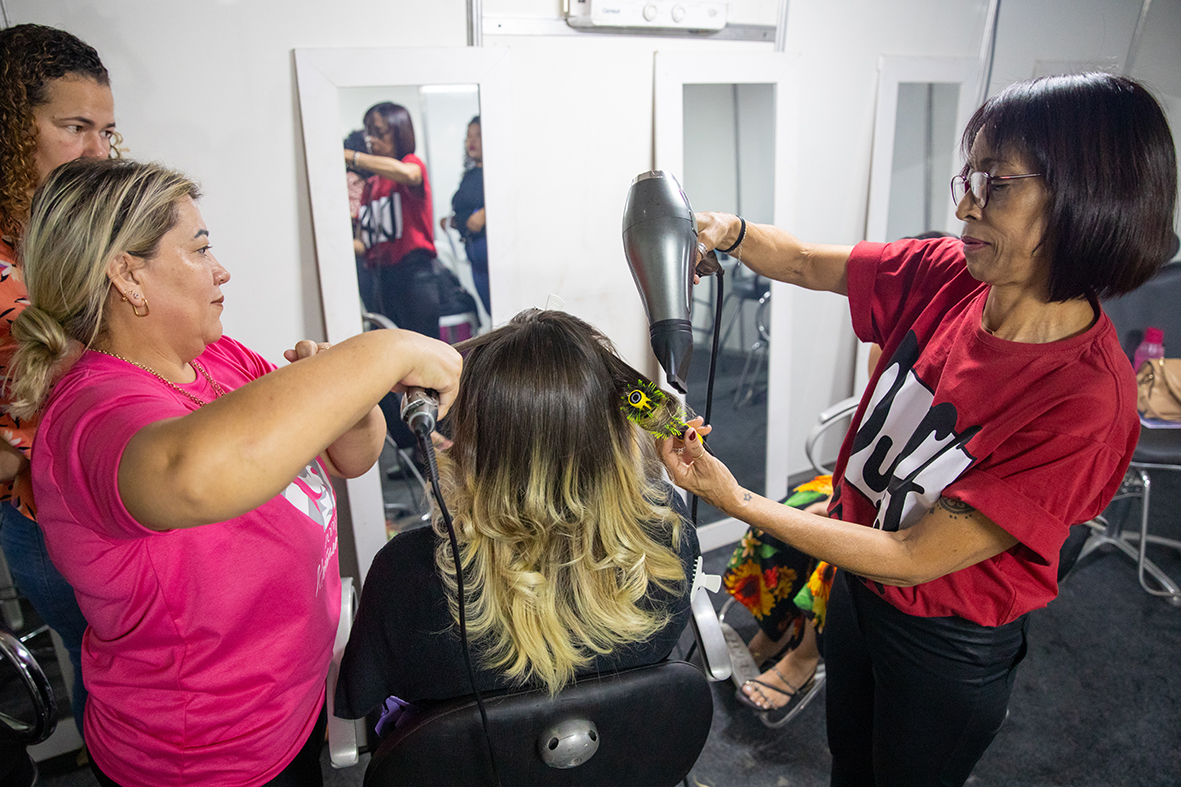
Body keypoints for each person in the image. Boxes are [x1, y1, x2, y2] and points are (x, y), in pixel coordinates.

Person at [662, 73, 1176, 786]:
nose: (963, 202)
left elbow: (912, 554)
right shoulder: (954, 276)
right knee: (850, 761)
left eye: (995, 183)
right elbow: (809, 262)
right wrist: (731, 231)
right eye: (971, 176)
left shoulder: (1084, 401)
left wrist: (738, 499)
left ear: (1086, 198)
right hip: (858, 588)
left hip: (943, 642)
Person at [9, 158, 462, 787]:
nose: (222, 270)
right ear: (126, 273)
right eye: (199, 251)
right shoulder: (93, 414)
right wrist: (387, 350)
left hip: (288, 712)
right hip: (203, 759)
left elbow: (354, 458)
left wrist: (346, 391)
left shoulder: (217, 357)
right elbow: (195, 474)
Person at [335, 309, 700, 729]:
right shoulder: (668, 542)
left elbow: (358, 698)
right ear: (614, 435)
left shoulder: (408, 572)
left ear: (474, 440)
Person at [0, 22, 120, 739]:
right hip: (44, 515)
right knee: (106, 666)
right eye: (75, 127)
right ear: (14, 129)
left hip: (121, 489)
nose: (97, 152)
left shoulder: (76, 223)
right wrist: (24, 456)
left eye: (107, 130)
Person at [345, 102, 441, 338]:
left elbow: (409, 174)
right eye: (369, 133)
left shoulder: (411, 164)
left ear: (399, 132)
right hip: (382, 280)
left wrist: (353, 157)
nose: (372, 141)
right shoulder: (371, 185)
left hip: (414, 276)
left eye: (379, 133)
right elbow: (363, 243)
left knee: (424, 354)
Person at [448, 115, 490, 314]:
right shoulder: (469, 174)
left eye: (479, 135)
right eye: (468, 136)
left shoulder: (496, 173)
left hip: (490, 255)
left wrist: (485, 214)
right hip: (475, 260)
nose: (471, 142)